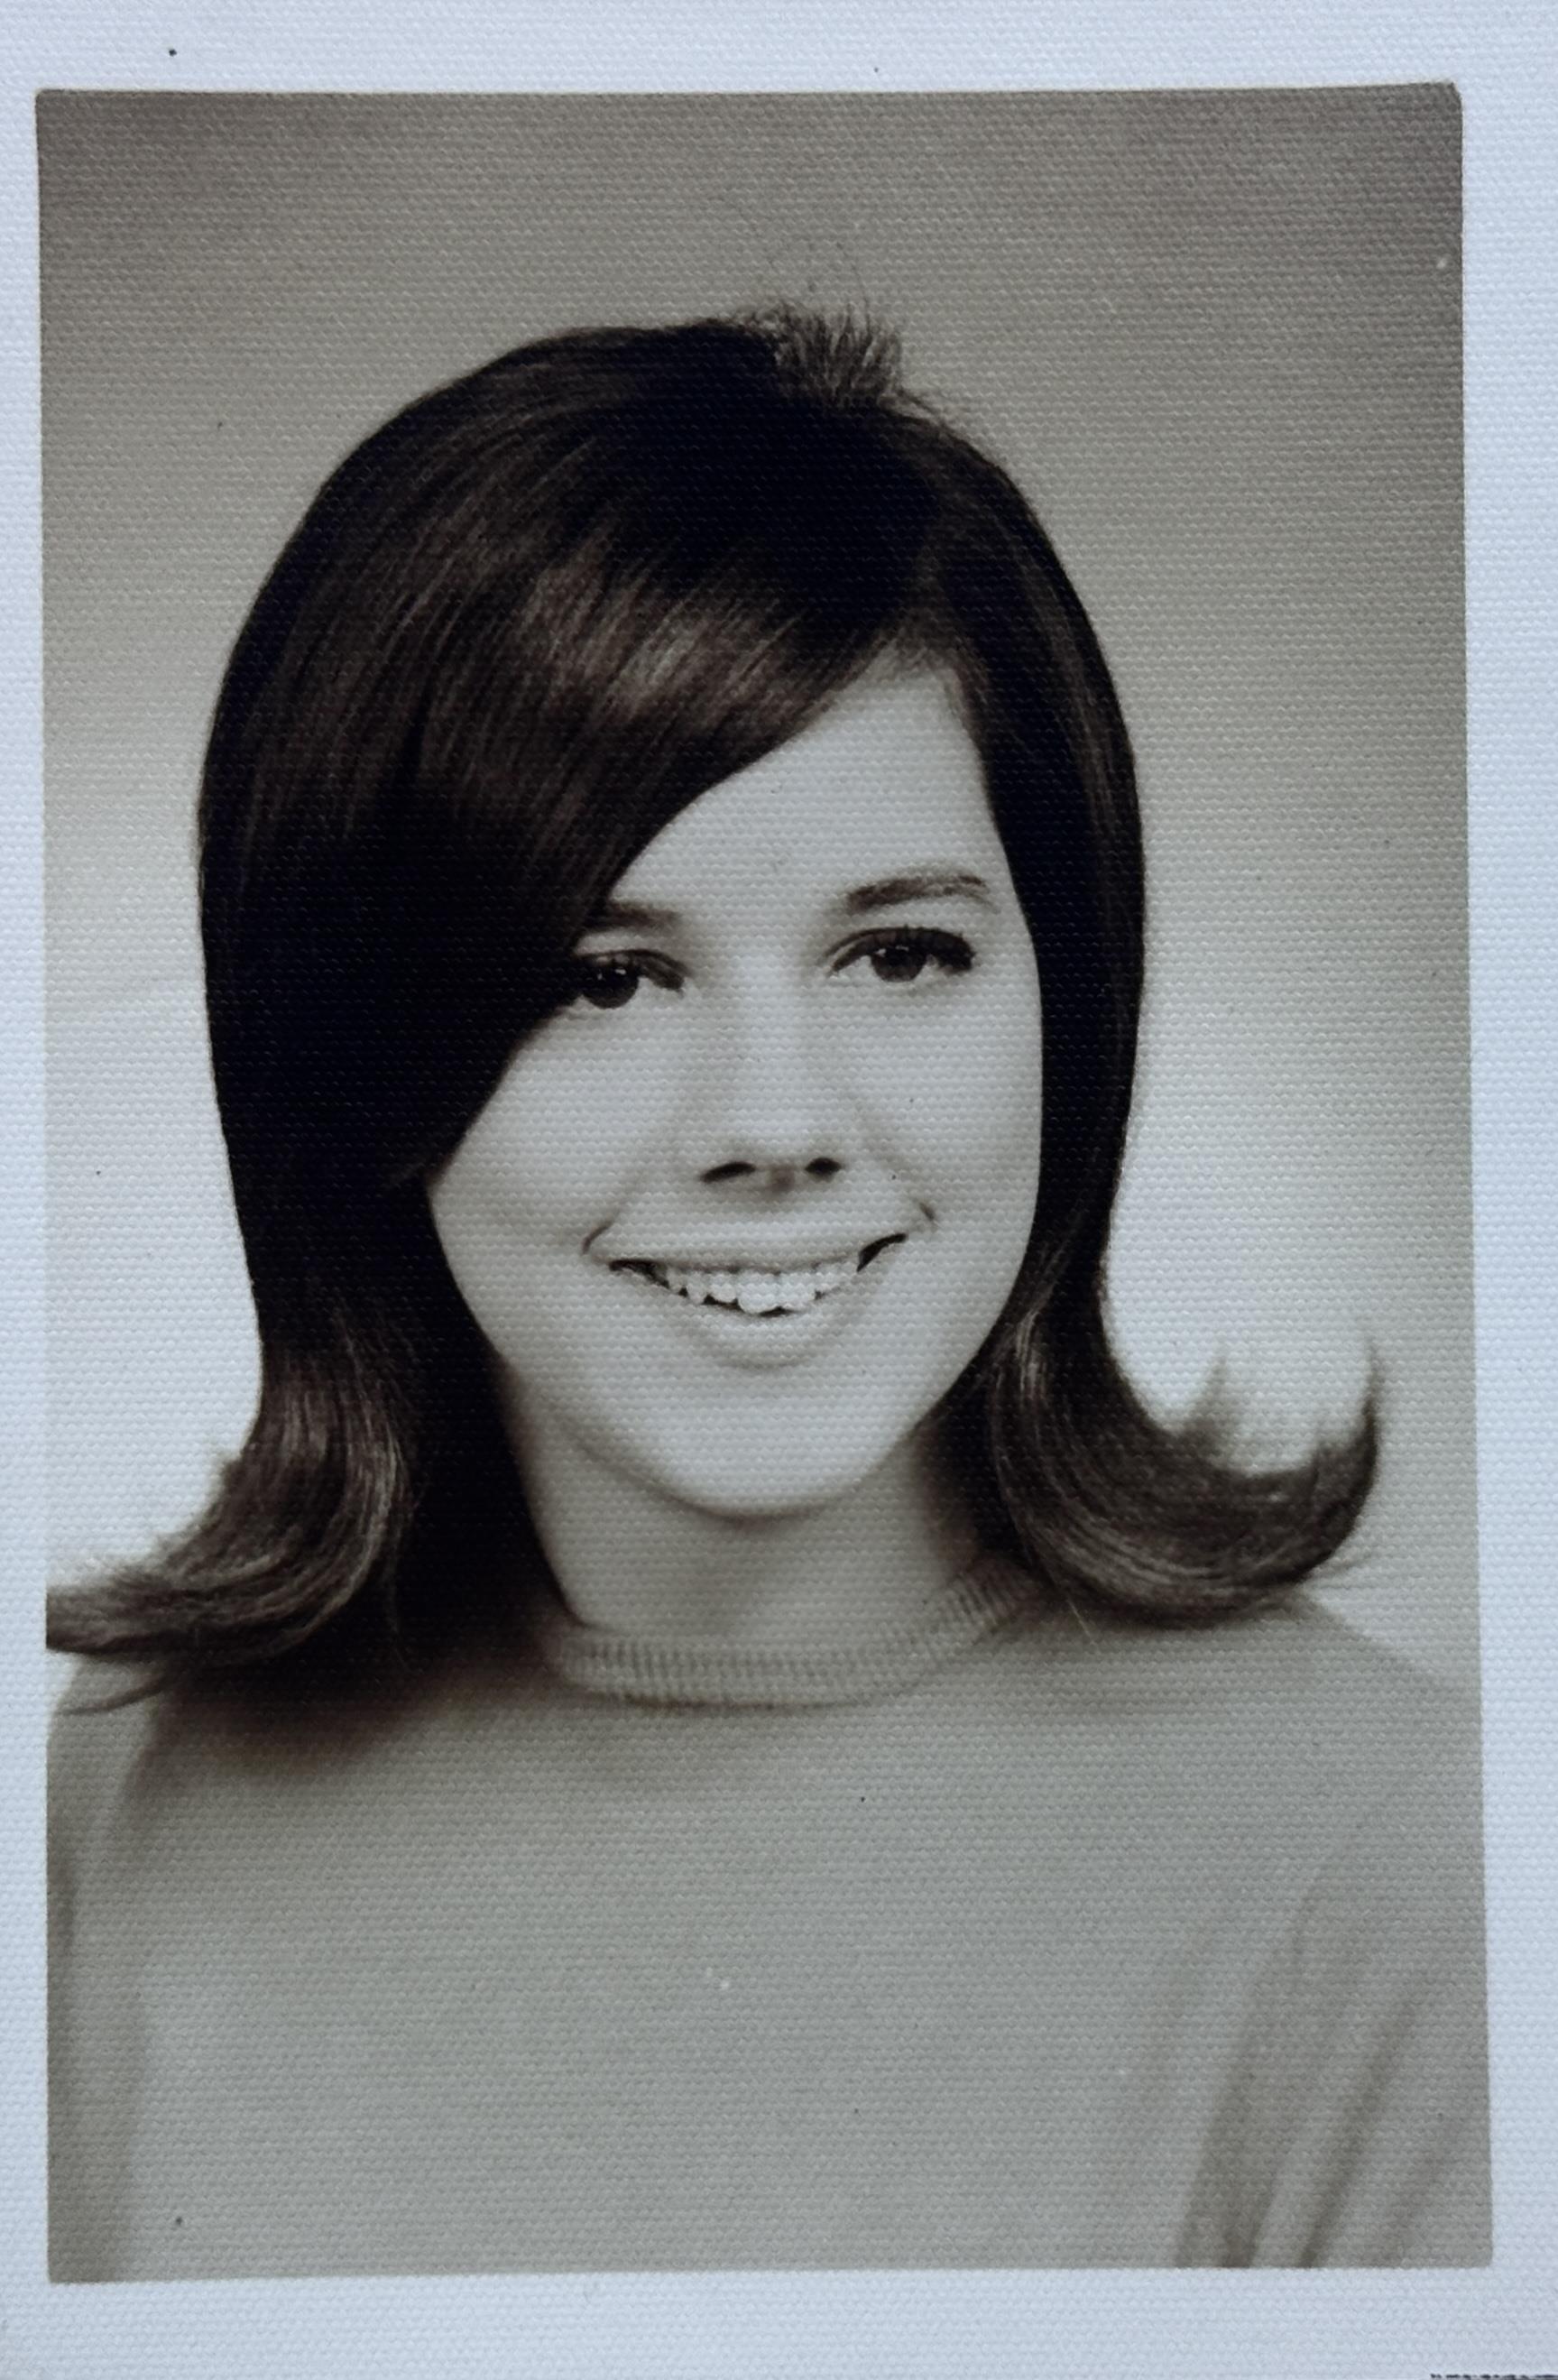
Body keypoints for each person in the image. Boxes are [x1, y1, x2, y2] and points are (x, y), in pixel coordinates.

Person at [47, 309, 1489, 2277]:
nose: (774, 1122)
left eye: (898, 955)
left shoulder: (1412, 1873)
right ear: (354, 1059)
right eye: (605, 974)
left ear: (1068, 996)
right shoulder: (134, 1773)